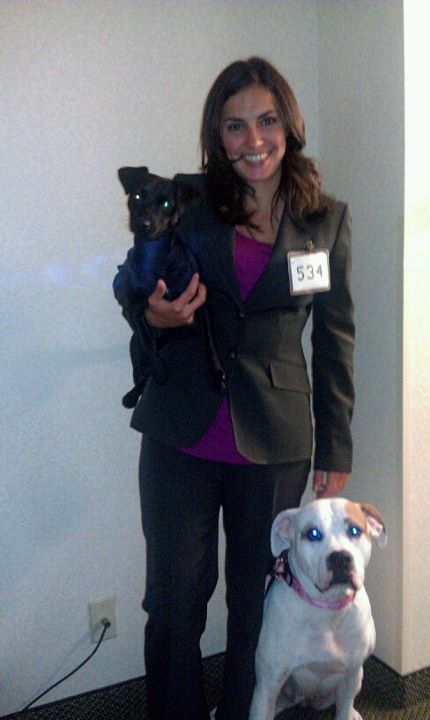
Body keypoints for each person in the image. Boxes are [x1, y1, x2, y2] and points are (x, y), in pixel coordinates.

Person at [113, 57, 354, 720]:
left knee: (256, 601)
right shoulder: (187, 202)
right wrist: (150, 312)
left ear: (289, 124)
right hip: (181, 432)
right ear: (217, 136)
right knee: (173, 600)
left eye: (267, 120)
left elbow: (336, 340)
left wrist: (335, 445)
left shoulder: (325, 219)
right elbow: (128, 278)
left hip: (275, 442)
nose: (254, 139)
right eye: (235, 125)